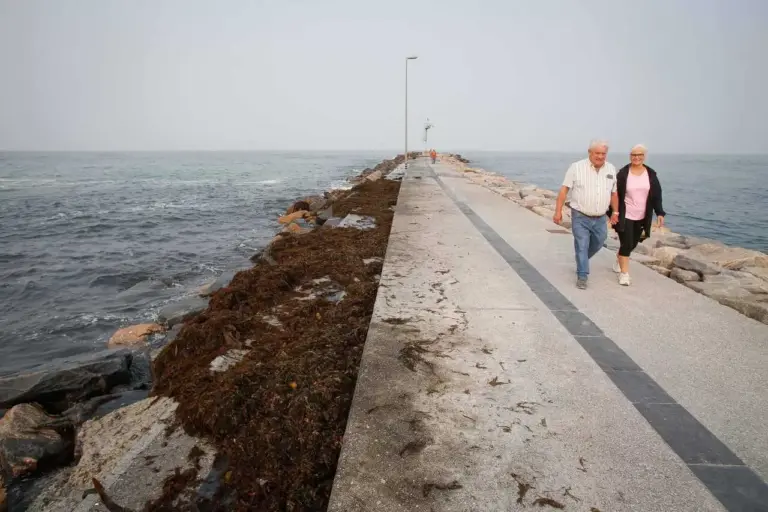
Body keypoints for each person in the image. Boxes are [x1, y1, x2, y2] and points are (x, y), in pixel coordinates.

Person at [553, 140, 619, 289]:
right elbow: (564, 190)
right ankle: (582, 275)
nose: (600, 156)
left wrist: (615, 211)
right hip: (580, 215)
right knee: (582, 245)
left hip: (601, 217)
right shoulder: (576, 167)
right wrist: (558, 211)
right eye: (597, 153)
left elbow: (614, 193)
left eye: (603, 153)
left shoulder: (611, 169)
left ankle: (581, 259)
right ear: (590, 152)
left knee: (599, 242)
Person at [610, 144, 665, 286]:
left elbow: (656, 195)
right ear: (630, 156)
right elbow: (614, 193)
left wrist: (659, 212)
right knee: (627, 243)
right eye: (634, 155)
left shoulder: (650, 174)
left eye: (639, 155)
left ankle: (619, 258)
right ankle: (624, 274)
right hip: (625, 215)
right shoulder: (623, 174)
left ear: (644, 156)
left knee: (633, 243)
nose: (636, 157)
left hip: (642, 216)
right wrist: (612, 213)